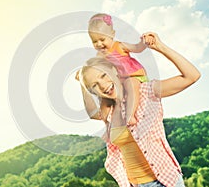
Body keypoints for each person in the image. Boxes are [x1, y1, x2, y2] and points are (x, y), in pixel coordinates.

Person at [77, 32, 201, 187]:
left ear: (115, 71)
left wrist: (160, 47)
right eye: (94, 85)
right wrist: (83, 82)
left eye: (104, 75)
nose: (102, 85)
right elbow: (91, 113)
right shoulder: (109, 111)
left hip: (164, 181)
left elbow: (192, 76)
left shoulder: (145, 92)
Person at [88, 13, 148, 125]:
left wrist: (144, 43)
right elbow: (96, 68)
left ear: (112, 34)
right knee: (106, 99)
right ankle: (107, 124)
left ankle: (130, 115)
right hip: (118, 80)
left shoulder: (119, 46)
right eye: (94, 41)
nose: (99, 44)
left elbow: (137, 48)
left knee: (131, 86)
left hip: (133, 75)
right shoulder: (99, 55)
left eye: (102, 39)